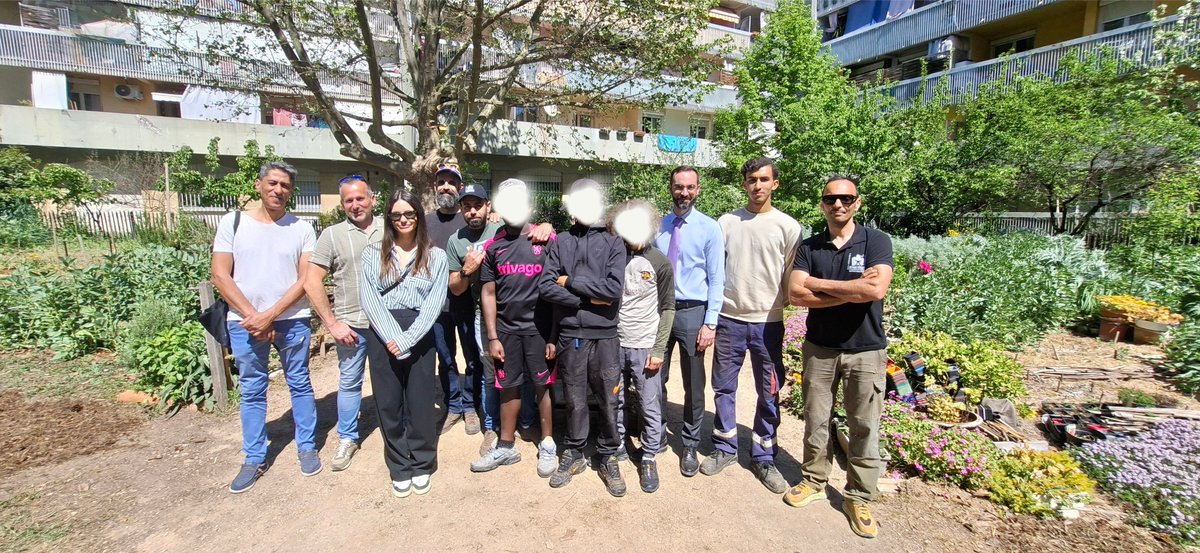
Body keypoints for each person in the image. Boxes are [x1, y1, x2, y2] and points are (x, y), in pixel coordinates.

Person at [785, 175, 894, 539]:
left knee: (864, 425)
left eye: (846, 198)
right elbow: (796, 294)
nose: (839, 205)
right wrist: (853, 291)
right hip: (821, 349)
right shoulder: (810, 246)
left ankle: (859, 496)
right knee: (816, 419)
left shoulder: (876, 241)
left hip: (866, 350)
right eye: (831, 199)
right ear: (823, 204)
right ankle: (814, 481)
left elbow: (876, 288)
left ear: (857, 203)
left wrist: (820, 283)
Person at [213, 161, 319, 494]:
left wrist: (270, 313)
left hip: (291, 319)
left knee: (300, 382)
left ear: (291, 191)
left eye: (285, 185)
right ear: (259, 185)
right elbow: (220, 274)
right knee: (252, 389)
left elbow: (306, 279)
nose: (278, 190)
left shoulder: (301, 228)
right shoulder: (233, 222)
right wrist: (253, 316)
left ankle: (306, 446)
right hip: (244, 322)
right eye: (272, 183)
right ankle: (254, 456)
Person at [705, 157, 803, 494]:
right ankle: (725, 447)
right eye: (751, 179)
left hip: (769, 322)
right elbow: (715, 269)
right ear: (744, 183)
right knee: (723, 388)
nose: (757, 185)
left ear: (775, 183)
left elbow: (792, 272)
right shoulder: (726, 223)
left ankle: (763, 456)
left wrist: (782, 304)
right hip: (730, 320)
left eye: (764, 179)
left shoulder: (788, 226)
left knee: (769, 391)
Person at [445, 183, 554, 456]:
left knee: (536, 381)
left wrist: (548, 225)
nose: (472, 211)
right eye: (466, 206)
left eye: (477, 205)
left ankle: (537, 433)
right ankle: (498, 434)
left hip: (535, 326)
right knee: (500, 378)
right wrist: (493, 336)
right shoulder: (473, 242)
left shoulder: (530, 235)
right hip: (495, 323)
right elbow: (474, 289)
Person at [539, 178, 627, 497]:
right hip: (571, 335)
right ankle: (575, 451)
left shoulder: (615, 243)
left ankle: (607, 455)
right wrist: (588, 300)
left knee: (608, 398)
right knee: (575, 399)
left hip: (604, 336)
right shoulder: (561, 241)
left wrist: (571, 282)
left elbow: (614, 291)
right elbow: (546, 287)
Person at [359, 190, 449, 498]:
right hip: (382, 333)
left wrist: (408, 338)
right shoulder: (373, 254)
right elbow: (369, 299)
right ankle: (399, 466)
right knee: (388, 403)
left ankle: (422, 463)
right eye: (396, 215)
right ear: (389, 219)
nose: (403, 220)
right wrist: (391, 337)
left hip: (420, 335)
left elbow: (435, 303)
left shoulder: (435, 256)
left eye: (409, 214)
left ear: (418, 218)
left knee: (420, 402)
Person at [470, 180, 558, 478]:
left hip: (540, 332)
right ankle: (506, 446)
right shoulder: (493, 248)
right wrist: (492, 336)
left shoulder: (546, 240)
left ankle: (547, 444)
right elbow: (488, 293)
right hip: (506, 333)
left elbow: (558, 288)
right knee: (508, 387)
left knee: (542, 387)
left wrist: (554, 335)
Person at [304, 175, 381, 472]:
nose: (355, 204)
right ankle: (348, 437)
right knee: (350, 382)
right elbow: (311, 281)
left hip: (386, 323)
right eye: (348, 200)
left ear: (372, 199)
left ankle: (395, 431)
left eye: (360, 198)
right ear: (342, 204)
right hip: (352, 326)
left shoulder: (389, 229)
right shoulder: (332, 236)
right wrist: (332, 324)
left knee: (392, 381)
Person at [653, 166, 725, 477]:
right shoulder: (658, 226)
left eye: (690, 187)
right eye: (679, 186)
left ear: (697, 190)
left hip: (694, 312)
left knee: (694, 384)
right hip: (659, 312)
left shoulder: (709, 228)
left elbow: (717, 278)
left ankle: (691, 443)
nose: (684, 192)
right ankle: (656, 434)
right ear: (670, 188)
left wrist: (710, 323)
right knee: (654, 377)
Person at [611, 200, 675, 494]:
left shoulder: (659, 262)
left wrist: (659, 348)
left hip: (645, 344)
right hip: (615, 342)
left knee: (650, 403)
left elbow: (668, 308)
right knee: (617, 399)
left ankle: (649, 454)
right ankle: (620, 444)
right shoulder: (614, 256)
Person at [423, 163, 480, 436]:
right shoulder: (423, 222)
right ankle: (453, 406)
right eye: (441, 182)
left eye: (451, 182)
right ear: (435, 187)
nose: (445, 186)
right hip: (436, 306)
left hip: (467, 302)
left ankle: (470, 406)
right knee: (445, 358)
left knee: (472, 357)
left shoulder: (470, 219)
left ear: (459, 187)